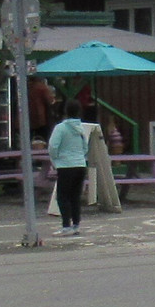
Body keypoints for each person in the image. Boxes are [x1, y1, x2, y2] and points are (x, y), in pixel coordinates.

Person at [47, 99, 89, 236]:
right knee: (75, 196)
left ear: (65, 111)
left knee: (62, 196)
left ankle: (66, 225)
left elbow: (53, 146)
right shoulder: (81, 128)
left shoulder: (61, 128)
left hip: (66, 165)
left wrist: (56, 159)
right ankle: (76, 224)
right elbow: (85, 147)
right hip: (80, 164)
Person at [28, 75, 55, 140]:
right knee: (43, 137)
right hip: (40, 117)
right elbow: (50, 101)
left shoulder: (27, 87)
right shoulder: (42, 88)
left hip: (28, 116)